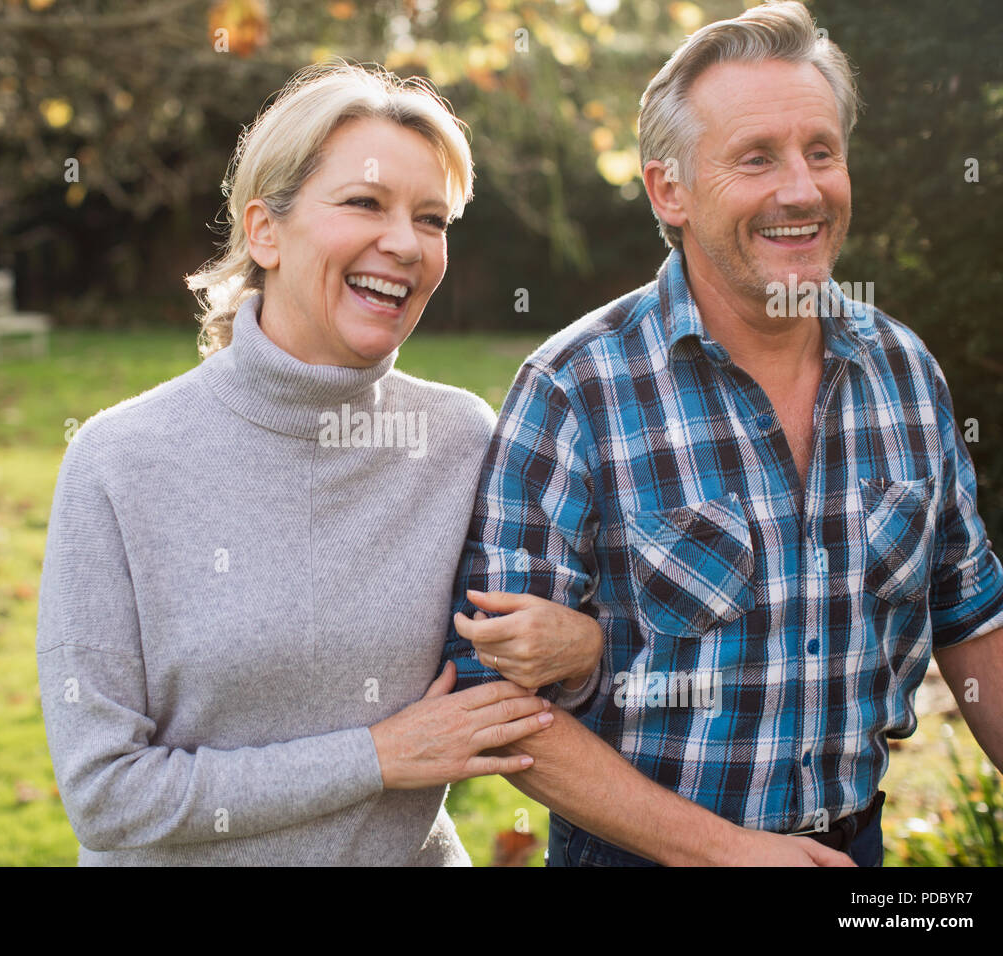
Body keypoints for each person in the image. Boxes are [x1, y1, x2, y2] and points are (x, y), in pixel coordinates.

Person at [444, 0, 1003, 867]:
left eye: (821, 152)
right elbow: (496, 689)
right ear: (668, 191)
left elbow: (974, 618)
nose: (802, 189)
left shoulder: (904, 372)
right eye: (756, 159)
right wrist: (722, 852)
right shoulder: (575, 390)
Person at [35, 62, 603, 866]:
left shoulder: (459, 440)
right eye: (366, 204)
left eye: (432, 219)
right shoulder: (119, 461)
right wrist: (375, 756)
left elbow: (522, 685)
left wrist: (584, 650)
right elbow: (106, 797)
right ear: (264, 230)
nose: (405, 244)